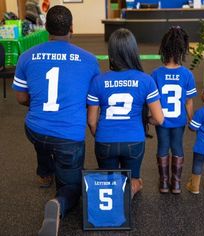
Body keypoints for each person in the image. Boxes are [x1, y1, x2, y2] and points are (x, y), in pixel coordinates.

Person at [12, 5, 100, 236]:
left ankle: (44, 172)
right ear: (72, 28)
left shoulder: (26, 56)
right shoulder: (90, 60)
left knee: (42, 139)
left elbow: (21, 98)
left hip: (34, 128)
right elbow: (93, 101)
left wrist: (39, 104)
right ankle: (59, 204)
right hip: (68, 137)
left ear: (46, 28)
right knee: (72, 186)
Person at [87, 28, 164, 198]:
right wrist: (147, 120)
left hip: (105, 140)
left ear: (111, 52)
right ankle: (132, 188)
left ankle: (111, 200)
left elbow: (92, 121)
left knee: (108, 181)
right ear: (133, 51)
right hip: (134, 141)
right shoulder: (146, 81)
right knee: (134, 179)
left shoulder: (98, 81)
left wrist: (100, 135)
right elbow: (159, 118)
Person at [150, 26, 197, 194]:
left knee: (162, 146)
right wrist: (191, 120)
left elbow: (152, 100)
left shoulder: (155, 73)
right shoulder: (187, 74)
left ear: (164, 48)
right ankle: (175, 184)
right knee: (177, 146)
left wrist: (149, 118)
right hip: (179, 120)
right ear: (182, 49)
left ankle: (163, 183)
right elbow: (189, 103)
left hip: (161, 119)